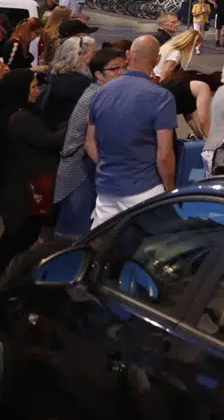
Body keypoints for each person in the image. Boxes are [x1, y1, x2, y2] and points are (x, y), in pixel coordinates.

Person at [85, 36, 175, 227]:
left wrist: (105, 167)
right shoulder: (161, 97)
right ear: (157, 60)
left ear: (128, 55)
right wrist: (170, 190)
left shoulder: (100, 93)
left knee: (102, 248)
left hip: (106, 190)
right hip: (146, 189)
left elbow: (90, 142)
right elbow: (164, 154)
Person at [52, 49, 126, 237]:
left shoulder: (99, 91)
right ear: (98, 75)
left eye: (123, 67)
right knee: (74, 232)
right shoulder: (98, 96)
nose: (121, 73)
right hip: (77, 169)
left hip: (83, 166)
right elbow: (90, 141)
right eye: (115, 69)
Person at [0, 68, 64, 269]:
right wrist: (76, 123)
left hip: (18, 186)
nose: (38, 91)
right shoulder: (20, 118)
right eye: (33, 87)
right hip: (24, 190)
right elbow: (47, 140)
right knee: (19, 238)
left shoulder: (14, 113)